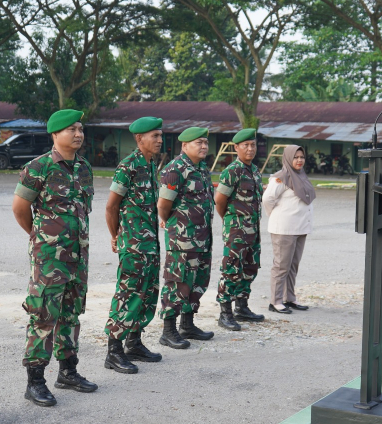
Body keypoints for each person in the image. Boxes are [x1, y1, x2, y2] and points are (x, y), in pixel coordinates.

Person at [12, 109, 97, 407]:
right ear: (55, 134)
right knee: (44, 315)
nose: (78, 134)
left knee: (71, 314)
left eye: (80, 129)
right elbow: (20, 209)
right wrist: (40, 238)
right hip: (50, 258)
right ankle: (35, 381)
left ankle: (68, 371)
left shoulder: (84, 167)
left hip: (78, 256)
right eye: (71, 129)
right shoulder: (38, 167)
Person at [103, 117, 165, 373]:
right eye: (154, 136)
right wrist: (116, 235)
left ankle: (134, 343)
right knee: (128, 294)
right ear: (139, 139)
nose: (160, 140)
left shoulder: (151, 165)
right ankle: (113, 351)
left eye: (161, 136)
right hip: (134, 245)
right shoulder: (128, 166)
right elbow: (111, 206)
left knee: (148, 293)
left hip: (150, 244)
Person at [156, 127, 215, 349]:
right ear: (185, 145)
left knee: (198, 281)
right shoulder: (175, 169)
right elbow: (163, 205)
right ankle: (168, 330)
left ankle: (187, 325)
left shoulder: (201, 169)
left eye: (205, 143)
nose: (203, 146)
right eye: (199, 142)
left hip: (202, 238)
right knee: (177, 282)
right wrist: (171, 224)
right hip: (182, 239)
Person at [214, 128, 265, 331]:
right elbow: (220, 201)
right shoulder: (232, 171)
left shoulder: (254, 170)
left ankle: (241, 307)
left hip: (253, 230)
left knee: (250, 268)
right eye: (246, 145)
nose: (250, 149)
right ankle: (225, 313)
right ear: (236, 148)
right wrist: (231, 222)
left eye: (253, 145)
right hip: (237, 230)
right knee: (231, 270)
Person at [262, 145, 315, 314]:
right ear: (287, 158)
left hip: (300, 228)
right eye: (295, 157)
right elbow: (268, 199)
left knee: (293, 265)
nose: (299, 160)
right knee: (281, 266)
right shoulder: (280, 178)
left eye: (302, 157)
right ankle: (275, 301)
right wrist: (276, 216)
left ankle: (290, 298)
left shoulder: (301, 176)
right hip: (284, 229)